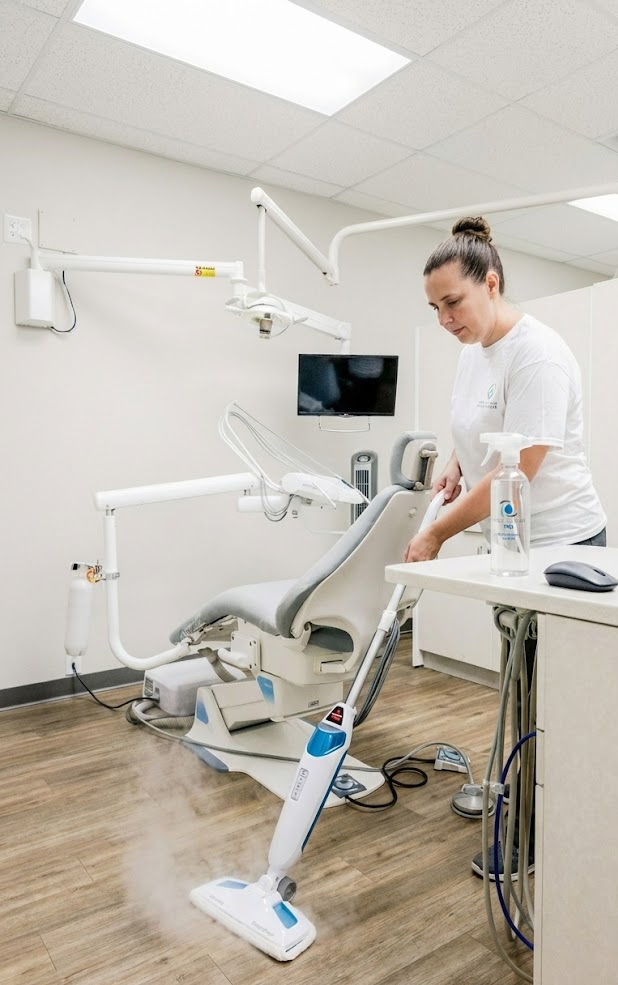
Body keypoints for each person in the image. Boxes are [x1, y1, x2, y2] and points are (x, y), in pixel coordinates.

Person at [404, 216, 607, 879]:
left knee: (552, 700)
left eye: (453, 302)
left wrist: (437, 530)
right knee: (520, 688)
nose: (444, 318)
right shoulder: (472, 350)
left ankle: (538, 840)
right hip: (515, 548)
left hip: (563, 547)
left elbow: (522, 467)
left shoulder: (538, 353)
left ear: (491, 282)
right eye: (434, 307)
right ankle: (521, 805)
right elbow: (472, 422)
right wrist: (455, 462)